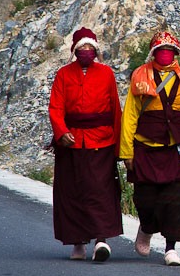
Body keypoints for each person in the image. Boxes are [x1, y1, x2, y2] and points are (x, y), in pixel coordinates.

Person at [119, 30, 180, 266]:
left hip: (179, 149)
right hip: (147, 148)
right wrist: (126, 152)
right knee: (146, 199)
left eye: (169, 51)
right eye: (161, 51)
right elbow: (130, 115)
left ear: (175, 54)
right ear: (153, 53)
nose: (165, 55)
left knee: (177, 200)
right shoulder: (140, 77)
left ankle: (171, 248)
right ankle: (146, 227)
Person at [48, 27, 124, 262]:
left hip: (101, 141)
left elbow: (115, 110)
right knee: (72, 191)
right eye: (82, 48)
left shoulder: (106, 74)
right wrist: (62, 133)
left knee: (100, 190)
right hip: (71, 143)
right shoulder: (63, 74)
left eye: (90, 48)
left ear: (96, 50)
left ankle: (101, 239)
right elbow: (56, 108)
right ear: (74, 50)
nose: (86, 52)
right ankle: (78, 244)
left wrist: (121, 147)